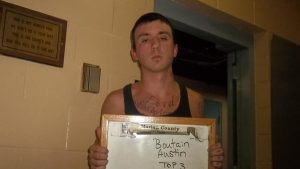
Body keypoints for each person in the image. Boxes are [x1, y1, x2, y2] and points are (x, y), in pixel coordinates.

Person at [88, 12, 224, 169]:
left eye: (163, 38)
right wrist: (96, 159)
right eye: (145, 39)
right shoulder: (116, 101)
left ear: (175, 50)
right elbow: (101, 157)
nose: (155, 45)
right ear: (134, 54)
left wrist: (212, 160)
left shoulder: (195, 100)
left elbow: (198, 158)